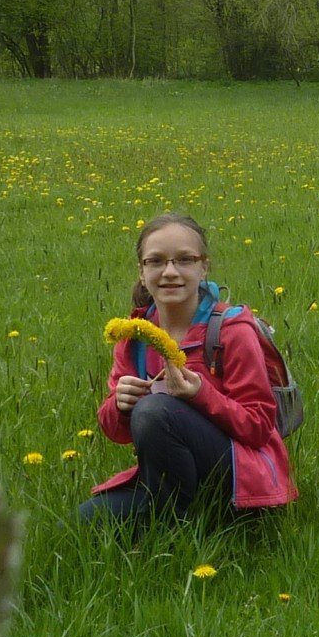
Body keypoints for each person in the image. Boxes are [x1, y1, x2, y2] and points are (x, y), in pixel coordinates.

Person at [82, 212, 297, 524]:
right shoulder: (134, 336)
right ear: (142, 272)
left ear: (203, 266)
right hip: (167, 475)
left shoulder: (231, 330)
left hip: (239, 477)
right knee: (82, 524)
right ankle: (171, 515)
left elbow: (260, 426)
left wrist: (200, 394)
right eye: (156, 261)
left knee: (154, 410)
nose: (170, 272)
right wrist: (119, 405)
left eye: (184, 260)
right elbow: (116, 431)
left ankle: (179, 526)